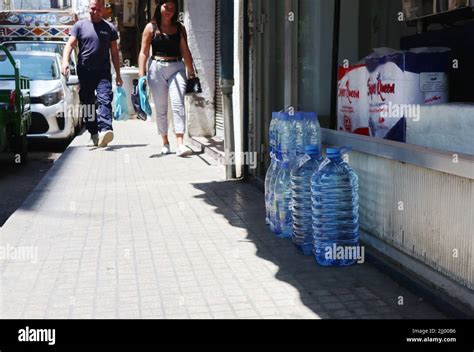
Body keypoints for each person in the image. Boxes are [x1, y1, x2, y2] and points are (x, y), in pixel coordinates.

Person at [61, 0, 123, 148]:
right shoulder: (79, 26)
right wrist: (65, 62)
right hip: (85, 71)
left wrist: (118, 75)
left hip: (103, 72)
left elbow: (114, 53)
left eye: (97, 9)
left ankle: (106, 129)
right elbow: (70, 44)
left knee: (105, 98)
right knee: (87, 104)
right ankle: (93, 133)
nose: (93, 11)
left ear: (103, 10)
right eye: (91, 8)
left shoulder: (109, 28)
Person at [138, 0, 195, 157]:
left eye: (172, 7)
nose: (169, 10)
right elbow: (143, 52)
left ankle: (180, 143)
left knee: (178, 104)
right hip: (156, 68)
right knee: (161, 108)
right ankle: (165, 142)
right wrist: (141, 76)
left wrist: (191, 72)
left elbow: (185, 51)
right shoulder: (151, 27)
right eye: (165, 6)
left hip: (177, 67)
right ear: (159, 7)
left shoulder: (179, 28)